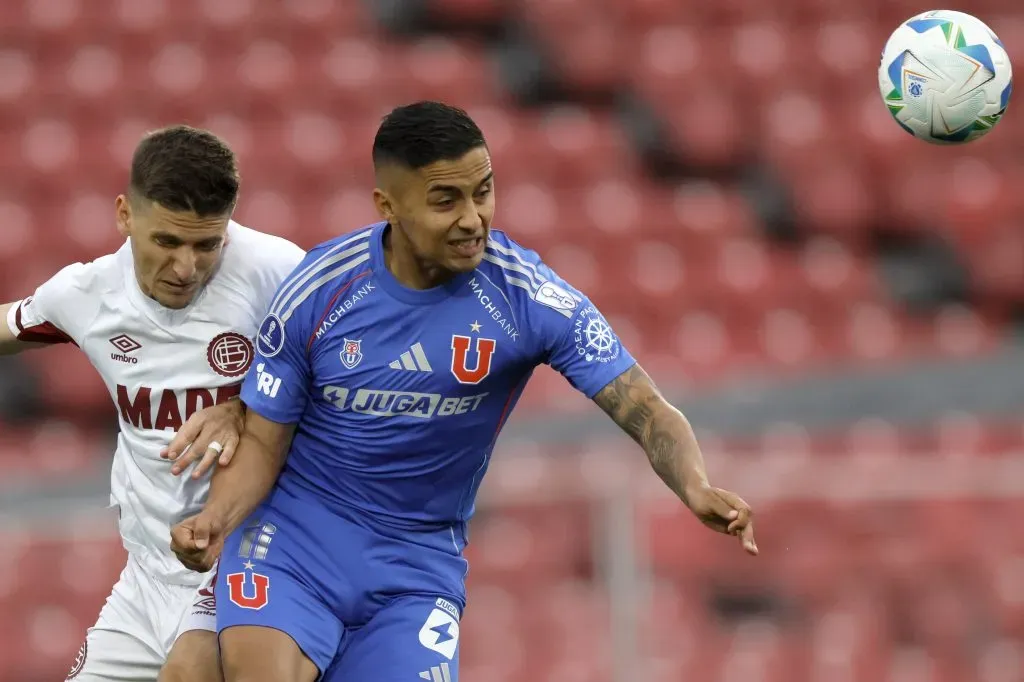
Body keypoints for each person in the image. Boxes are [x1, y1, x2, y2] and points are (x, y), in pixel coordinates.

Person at [171, 101, 757, 682]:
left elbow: (647, 409)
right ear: (388, 207)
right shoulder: (321, 289)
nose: (473, 218)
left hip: (416, 568)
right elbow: (264, 443)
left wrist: (695, 485)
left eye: (483, 191)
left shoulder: (525, 297)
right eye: (445, 201)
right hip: (297, 541)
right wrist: (216, 521)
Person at [0, 125, 305, 682]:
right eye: (167, 242)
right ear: (125, 215)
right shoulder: (85, 294)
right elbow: (9, 323)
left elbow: (353, 381)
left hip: (247, 560)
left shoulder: (279, 273)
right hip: (147, 576)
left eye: (207, 244)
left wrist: (247, 407)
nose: (186, 267)